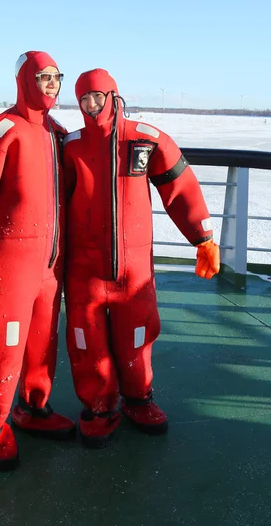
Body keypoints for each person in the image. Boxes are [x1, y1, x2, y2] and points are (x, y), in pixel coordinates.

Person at [63, 68, 220, 449]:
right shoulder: (70, 146)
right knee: (88, 343)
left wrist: (202, 237)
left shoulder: (145, 139)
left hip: (133, 272)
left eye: (97, 97)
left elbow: (179, 187)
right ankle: (98, 408)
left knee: (138, 337)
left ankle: (138, 400)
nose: (91, 105)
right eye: (83, 99)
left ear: (114, 97)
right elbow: (43, 200)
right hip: (84, 271)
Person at [0, 51, 75, 470]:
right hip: (11, 261)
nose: (50, 84)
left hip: (50, 263)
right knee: (5, 345)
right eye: (42, 76)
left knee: (43, 340)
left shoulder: (58, 133)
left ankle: (33, 407)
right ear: (25, 78)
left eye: (56, 77)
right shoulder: (1, 131)